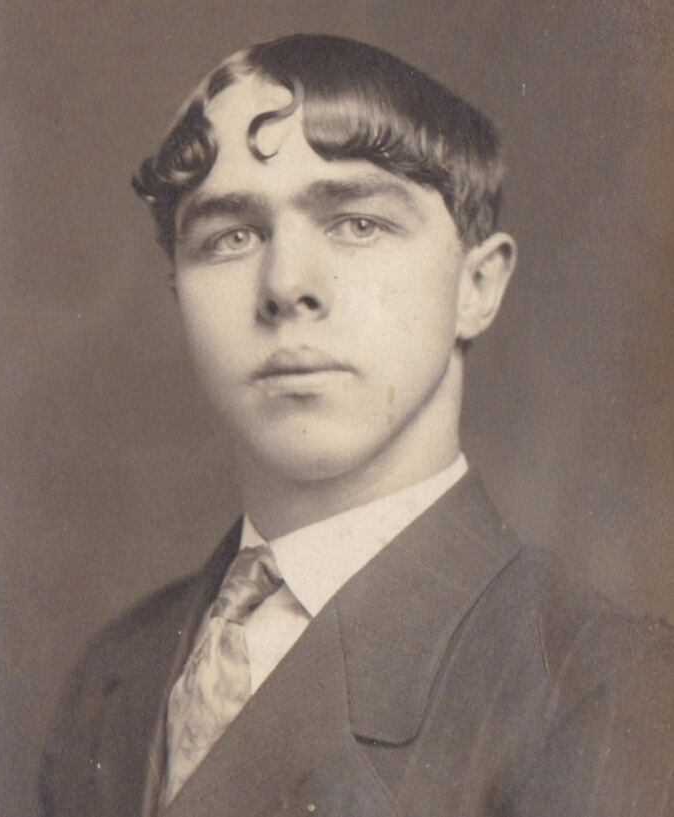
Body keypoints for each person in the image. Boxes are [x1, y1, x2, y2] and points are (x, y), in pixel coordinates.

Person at [39, 33, 674, 817]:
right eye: (231, 236)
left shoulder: (604, 687)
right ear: (178, 286)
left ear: (477, 285)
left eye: (357, 223)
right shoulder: (116, 672)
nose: (287, 285)